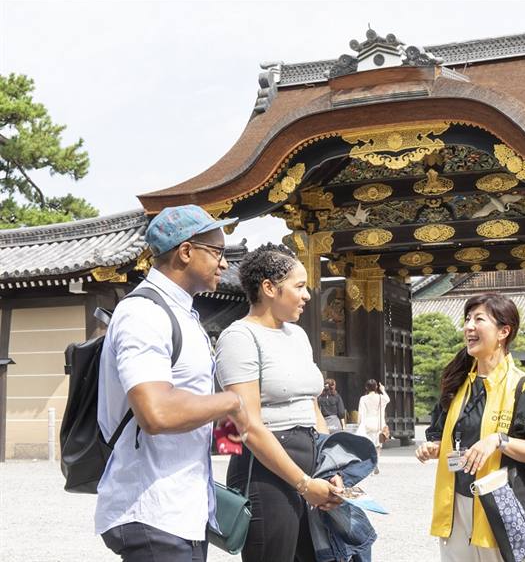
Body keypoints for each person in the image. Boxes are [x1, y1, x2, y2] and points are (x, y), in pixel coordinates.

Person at [96, 204, 249, 561]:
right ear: (185, 251)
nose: (224, 264)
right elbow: (157, 412)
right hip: (151, 510)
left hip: (185, 510)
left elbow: (197, 404)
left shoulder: (184, 313)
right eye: (217, 252)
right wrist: (232, 402)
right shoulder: (144, 313)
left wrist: (236, 439)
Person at [215, 244, 343, 562]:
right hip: (266, 470)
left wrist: (330, 467)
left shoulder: (298, 336)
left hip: (311, 462)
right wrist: (302, 483)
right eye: (299, 286)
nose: (308, 295)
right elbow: (248, 426)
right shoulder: (239, 338)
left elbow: (313, 406)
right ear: (270, 288)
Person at [415, 292, 525, 562]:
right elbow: (443, 432)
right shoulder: (457, 384)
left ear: (504, 331)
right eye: (467, 319)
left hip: (502, 505)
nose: (468, 326)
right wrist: (434, 447)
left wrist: (498, 440)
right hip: (456, 505)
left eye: (479, 319)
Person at [357, 379, 390, 474]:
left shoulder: (363, 398)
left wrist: (360, 424)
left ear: (366, 387)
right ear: (376, 387)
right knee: (378, 446)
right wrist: (383, 390)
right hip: (378, 424)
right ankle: (376, 463)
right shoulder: (380, 397)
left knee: (368, 445)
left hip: (367, 423)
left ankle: (370, 465)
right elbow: (388, 399)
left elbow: (361, 413)